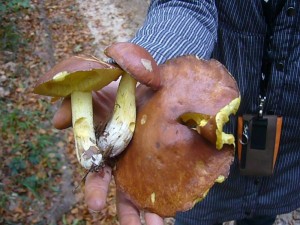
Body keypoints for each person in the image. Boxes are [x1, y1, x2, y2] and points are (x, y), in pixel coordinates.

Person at [53, 1, 300, 225]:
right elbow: (186, 4)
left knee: (261, 219)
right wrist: (150, 69)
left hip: (284, 167)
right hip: (193, 173)